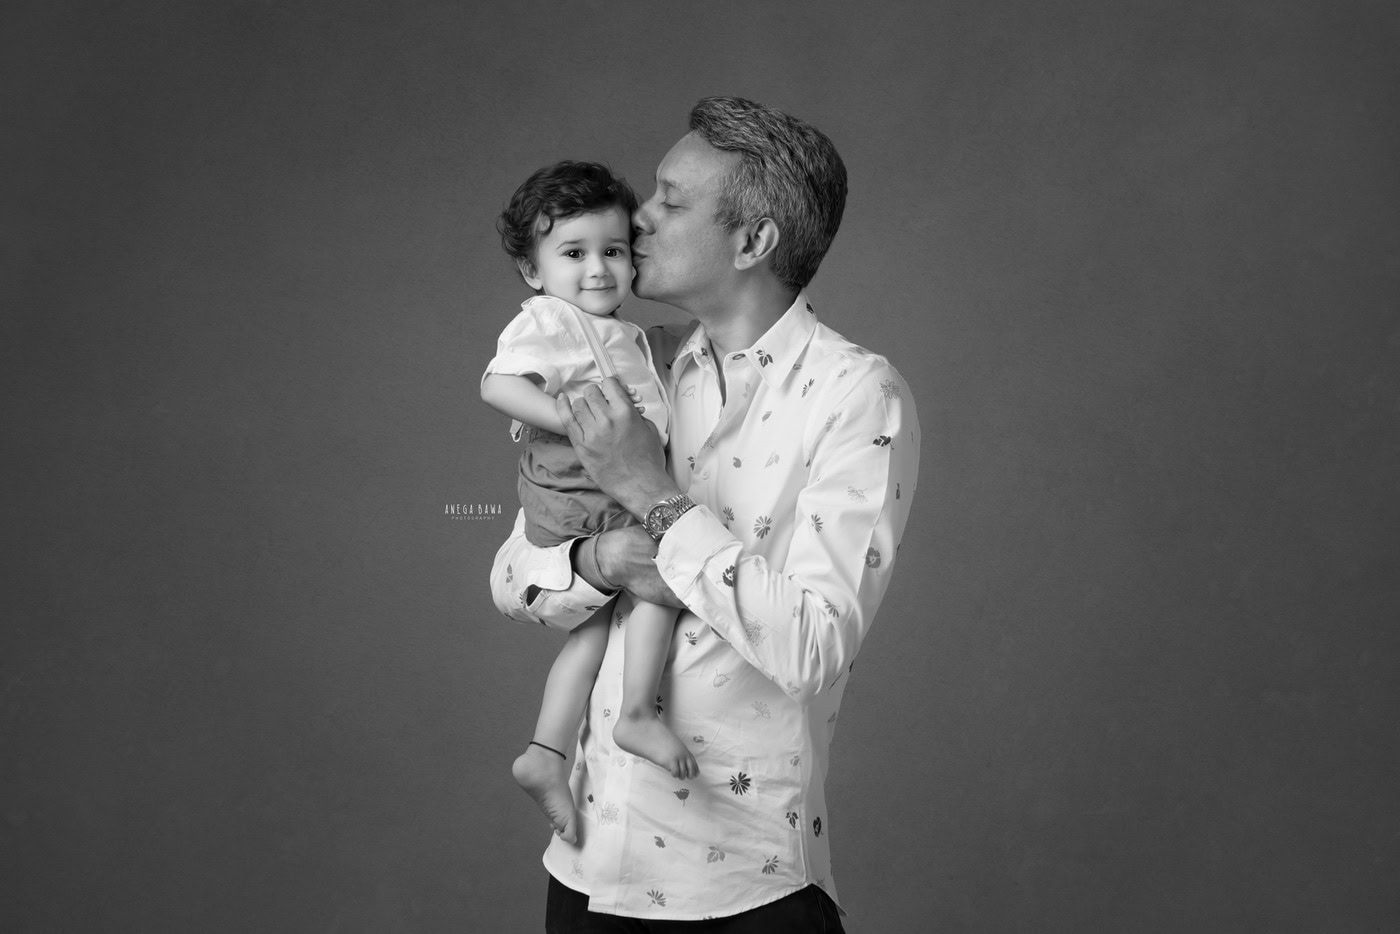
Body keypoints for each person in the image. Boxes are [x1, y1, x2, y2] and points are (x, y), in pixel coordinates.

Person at [491, 97, 920, 929]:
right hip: (585, 868)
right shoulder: (628, 365)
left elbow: (813, 647)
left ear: (753, 242)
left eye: (670, 200)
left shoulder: (856, 397)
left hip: (741, 890)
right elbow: (513, 580)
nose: (637, 218)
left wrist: (654, 498)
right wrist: (598, 564)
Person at [481, 162, 700, 847]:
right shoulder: (551, 319)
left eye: (613, 250)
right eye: (573, 254)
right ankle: (635, 713)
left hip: (595, 487)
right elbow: (496, 385)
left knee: (595, 629)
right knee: (664, 570)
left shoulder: (623, 335)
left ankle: (546, 752)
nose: (599, 269)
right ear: (533, 270)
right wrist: (570, 421)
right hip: (580, 487)